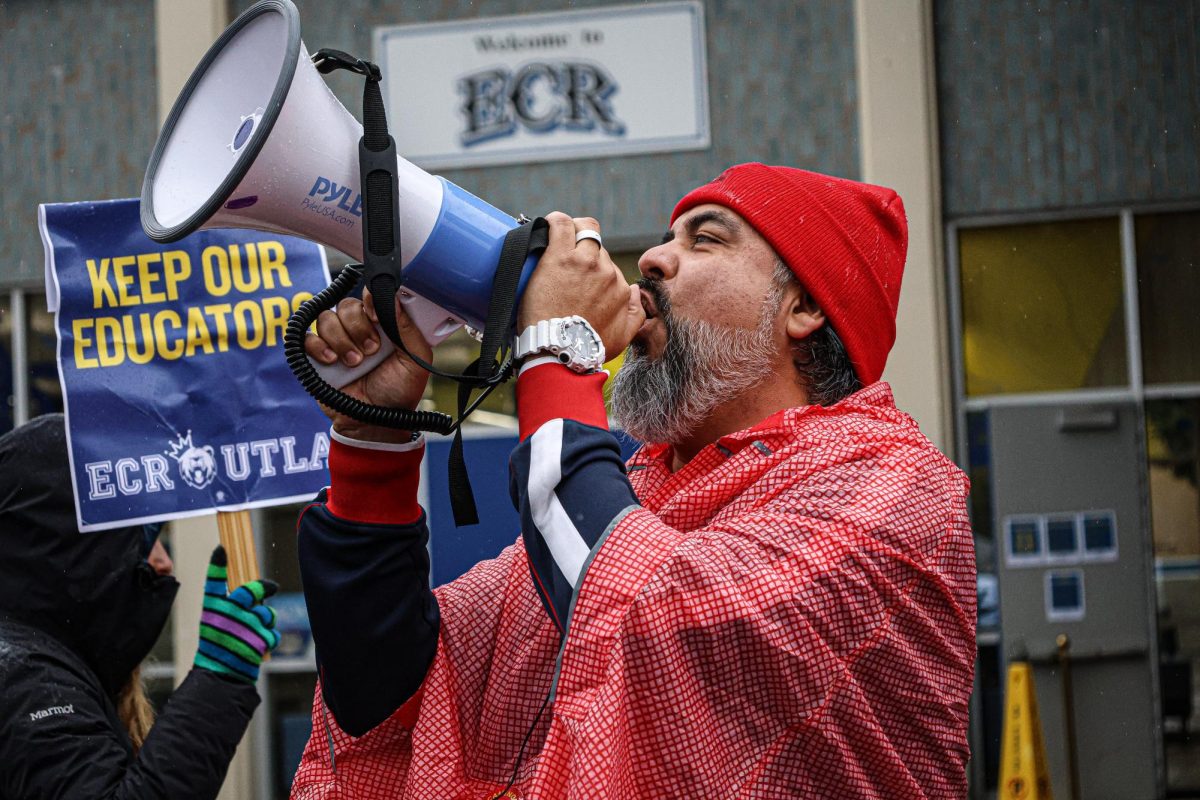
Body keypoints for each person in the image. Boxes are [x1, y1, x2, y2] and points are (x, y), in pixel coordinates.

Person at [291, 164, 977, 798]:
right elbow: (388, 693)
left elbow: (650, 623)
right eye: (662, 239)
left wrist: (558, 346)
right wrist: (372, 440)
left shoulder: (893, 488)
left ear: (802, 308)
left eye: (705, 239)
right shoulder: (644, 491)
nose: (649, 261)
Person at [0, 413, 282, 799]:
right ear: (72, 543)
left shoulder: (28, 663)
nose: (163, 562)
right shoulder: (29, 681)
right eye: (140, 536)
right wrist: (217, 682)